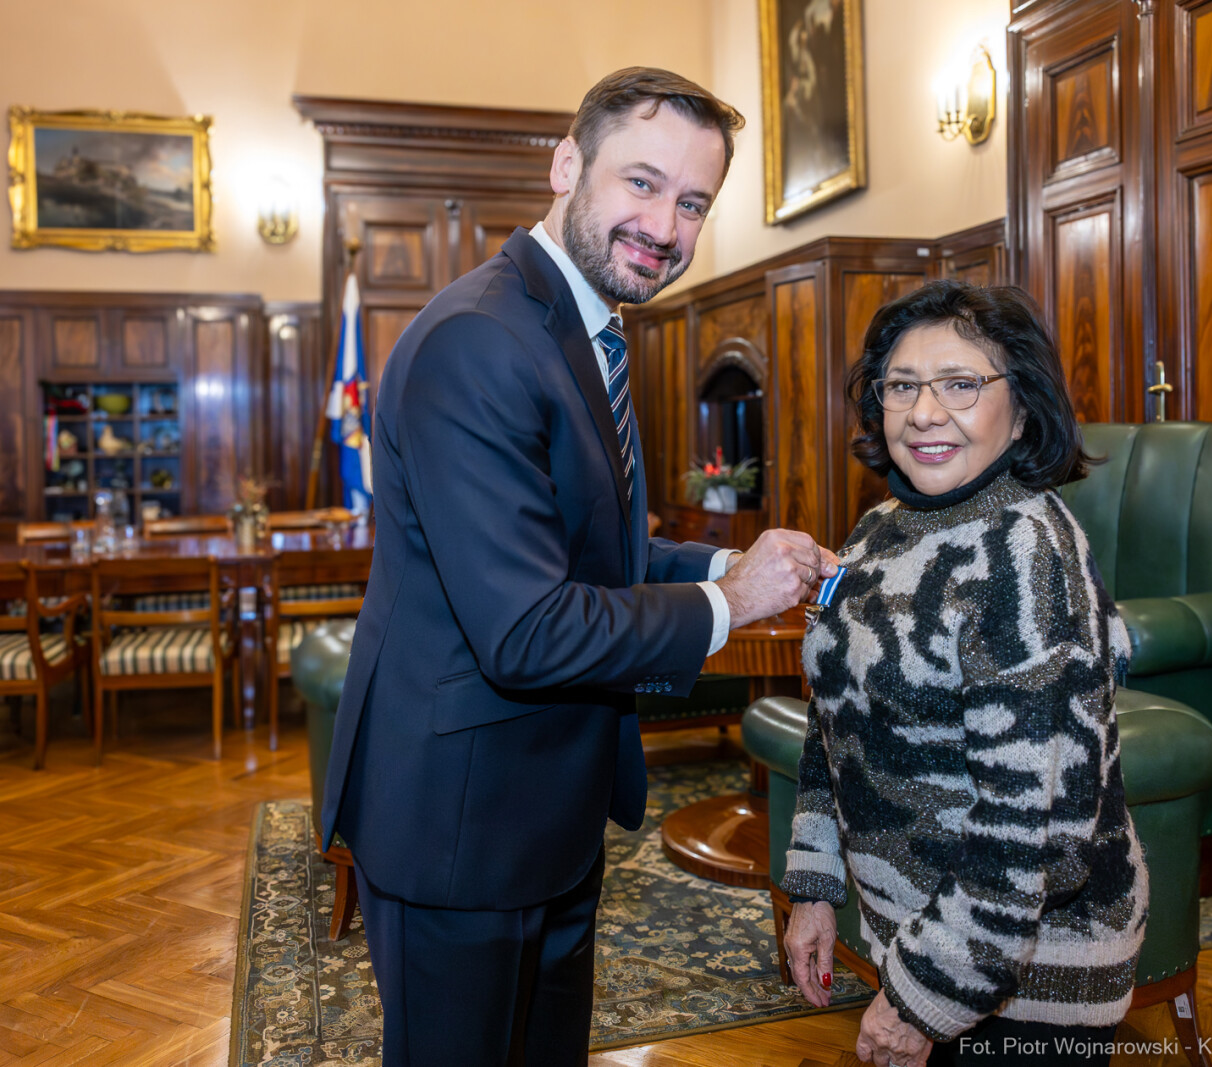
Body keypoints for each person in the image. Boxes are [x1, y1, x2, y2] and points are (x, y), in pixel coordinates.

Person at [319, 67, 837, 1067]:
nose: (665, 224)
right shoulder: (482, 340)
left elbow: (589, 543)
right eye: (641, 183)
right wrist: (729, 602)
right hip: (460, 830)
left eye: (693, 202)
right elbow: (527, 628)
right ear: (568, 164)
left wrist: (734, 554)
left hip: (542, 813)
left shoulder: (576, 324)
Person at [780, 281, 1147, 1067]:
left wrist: (920, 1002)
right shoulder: (879, 528)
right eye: (903, 385)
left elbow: (1026, 831)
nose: (923, 411)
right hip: (918, 943)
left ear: (1021, 409)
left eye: (960, 384)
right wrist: (814, 884)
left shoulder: (1025, 554)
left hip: (1027, 983)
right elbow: (832, 715)